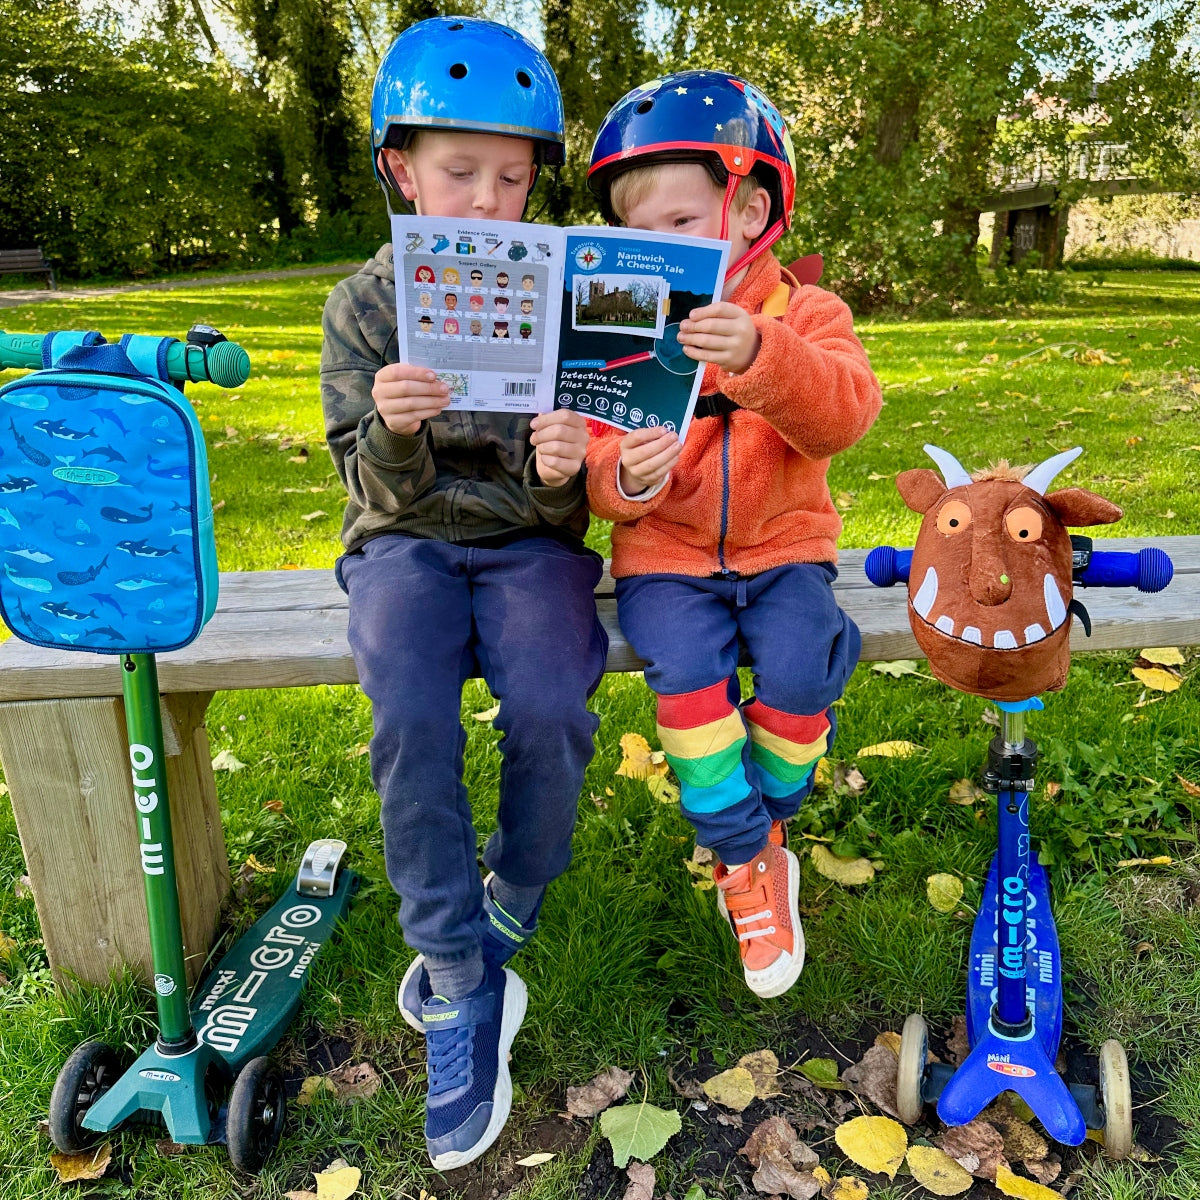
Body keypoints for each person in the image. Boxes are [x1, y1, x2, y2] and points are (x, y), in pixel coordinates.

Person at [321, 15, 607, 1169]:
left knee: (551, 701)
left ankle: (516, 892)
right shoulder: (362, 302)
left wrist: (559, 472)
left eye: (512, 175)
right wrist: (395, 430)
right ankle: (453, 971)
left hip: (532, 548)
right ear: (401, 167)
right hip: (405, 546)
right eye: (458, 171)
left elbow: (579, 481)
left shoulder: (565, 289)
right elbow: (365, 480)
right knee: (407, 710)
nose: (487, 199)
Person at [585, 71, 881, 1000]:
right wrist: (622, 479)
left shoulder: (807, 314)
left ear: (752, 210)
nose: (657, 249)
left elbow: (844, 417)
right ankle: (743, 860)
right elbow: (597, 457)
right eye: (640, 233)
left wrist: (760, 354)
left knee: (799, 672)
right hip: (664, 558)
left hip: (785, 547)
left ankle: (772, 822)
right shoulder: (621, 321)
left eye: (681, 226)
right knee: (686, 689)